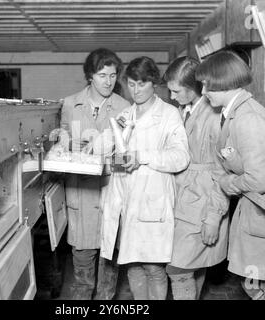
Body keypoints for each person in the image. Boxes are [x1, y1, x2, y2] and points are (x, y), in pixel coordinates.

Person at [196, 50, 265, 300]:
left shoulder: (247, 118)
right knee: (252, 285)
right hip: (258, 216)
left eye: (207, 85)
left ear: (225, 82)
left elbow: (260, 179)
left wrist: (229, 182)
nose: (204, 92)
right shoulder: (234, 113)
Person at [100, 56, 190, 300]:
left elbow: (180, 157)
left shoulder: (169, 115)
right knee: (132, 265)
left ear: (153, 83)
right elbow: (118, 156)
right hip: (127, 202)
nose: (135, 90)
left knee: (154, 268)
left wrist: (142, 157)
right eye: (130, 84)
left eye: (141, 84)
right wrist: (109, 155)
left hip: (154, 201)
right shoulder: (125, 115)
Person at [60, 48, 130, 300]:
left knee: (109, 268)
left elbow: (127, 150)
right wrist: (68, 144)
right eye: (102, 75)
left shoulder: (124, 106)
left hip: (110, 192)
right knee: (82, 269)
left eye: (113, 75)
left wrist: (115, 156)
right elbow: (61, 140)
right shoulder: (70, 104)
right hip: (81, 194)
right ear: (90, 75)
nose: (108, 81)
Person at [162, 57, 230, 300]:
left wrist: (213, 218)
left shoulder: (213, 118)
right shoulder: (186, 110)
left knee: (177, 268)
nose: (171, 96)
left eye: (176, 91)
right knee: (194, 266)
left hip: (203, 206)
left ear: (194, 87)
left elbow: (224, 173)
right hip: (187, 202)